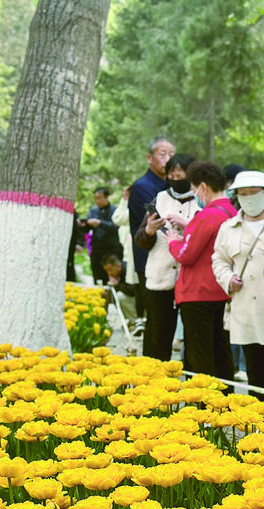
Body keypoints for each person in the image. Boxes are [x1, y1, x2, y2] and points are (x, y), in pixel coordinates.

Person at [213, 170, 264, 399]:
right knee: (256, 375)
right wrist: (227, 279)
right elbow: (219, 259)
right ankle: (262, 426)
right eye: (243, 194)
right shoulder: (228, 227)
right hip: (248, 307)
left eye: (254, 193)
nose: (248, 198)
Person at [165, 161, 237, 383]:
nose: (195, 194)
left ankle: (203, 405)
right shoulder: (231, 212)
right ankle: (225, 402)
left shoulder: (207, 215)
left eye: (195, 188)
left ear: (203, 187)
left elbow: (186, 254)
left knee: (200, 355)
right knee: (221, 351)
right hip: (221, 292)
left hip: (198, 293)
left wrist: (173, 241)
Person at [134, 153, 199, 361]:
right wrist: (150, 230)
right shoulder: (159, 199)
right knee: (157, 335)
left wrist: (187, 225)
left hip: (191, 281)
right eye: (172, 174)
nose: (176, 178)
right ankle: (153, 383)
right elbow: (141, 240)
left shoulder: (201, 201)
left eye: (182, 175)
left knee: (194, 337)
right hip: (161, 279)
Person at [129, 137, 176, 316]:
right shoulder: (143, 187)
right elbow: (159, 218)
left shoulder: (169, 184)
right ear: (149, 158)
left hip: (168, 258)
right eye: (162, 154)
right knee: (155, 317)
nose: (168, 159)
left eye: (172, 154)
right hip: (148, 258)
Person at [87, 188, 124, 285]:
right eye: (95, 198)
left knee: (111, 277)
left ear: (106, 197)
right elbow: (88, 225)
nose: (97, 201)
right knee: (97, 277)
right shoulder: (93, 210)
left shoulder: (115, 210)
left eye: (99, 198)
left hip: (111, 249)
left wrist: (100, 223)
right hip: (97, 249)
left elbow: (115, 226)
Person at [100, 254, 138, 326]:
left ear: (119, 266)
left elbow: (133, 290)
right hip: (133, 300)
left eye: (110, 270)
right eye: (107, 271)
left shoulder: (128, 271)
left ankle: (135, 322)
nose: (109, 273)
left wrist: (117, 286)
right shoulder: (116, 274)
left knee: (120, 297)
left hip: (141, 302)